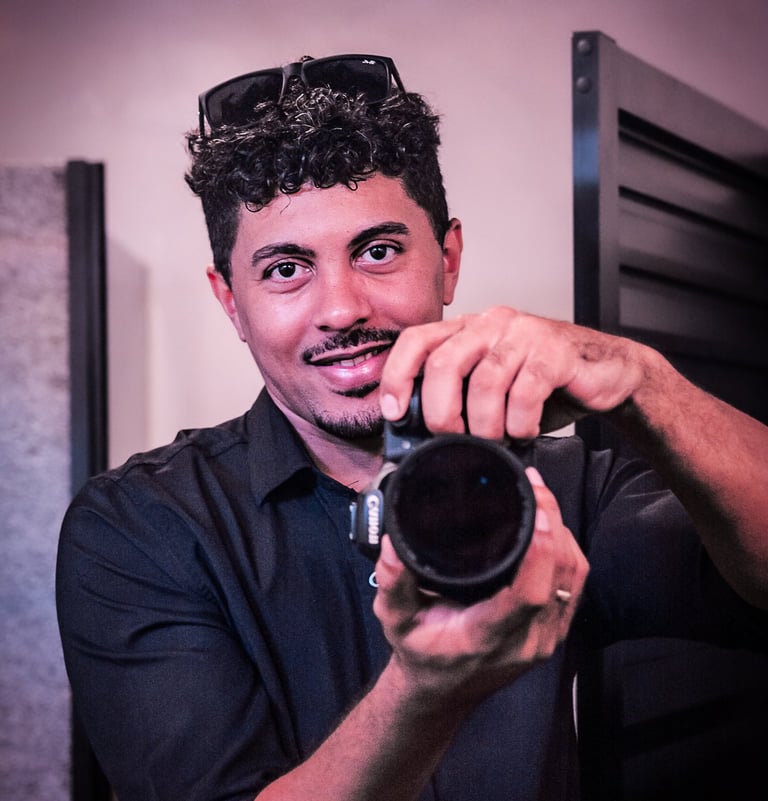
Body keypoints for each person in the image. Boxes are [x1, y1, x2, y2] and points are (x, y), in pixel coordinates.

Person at [56, 54, 768, 801]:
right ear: (231, 300)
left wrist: (642, 381)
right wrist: (426, 691)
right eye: (286, 269)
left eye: (378, 251)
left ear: (448, 260)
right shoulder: (143, 527)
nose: (342, 308)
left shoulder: (561, 486)